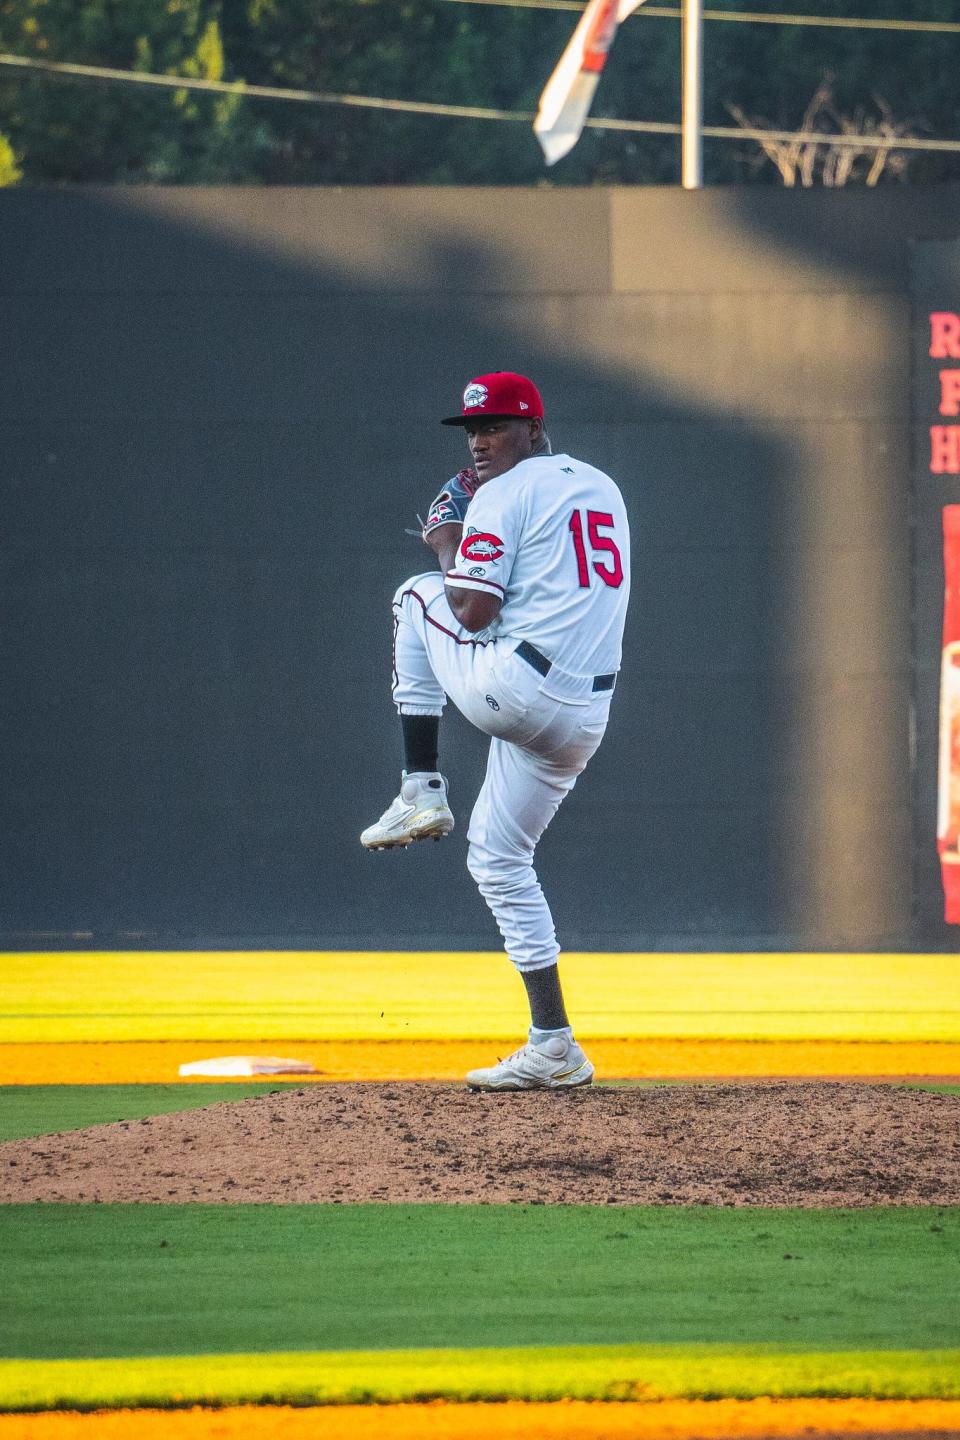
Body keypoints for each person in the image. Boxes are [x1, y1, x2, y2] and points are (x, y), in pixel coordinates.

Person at [361, 372, 630, 1090]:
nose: (480, 441)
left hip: (519, 692)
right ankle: (553, 1043)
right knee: (498, 858)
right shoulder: (602, 487)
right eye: (472, 430)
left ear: (535, 431)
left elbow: (472, 612)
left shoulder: (504, 495)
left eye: (498, 426)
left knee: (415, 595)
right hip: (582, 716)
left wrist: (447, 542)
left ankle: (420, 784)